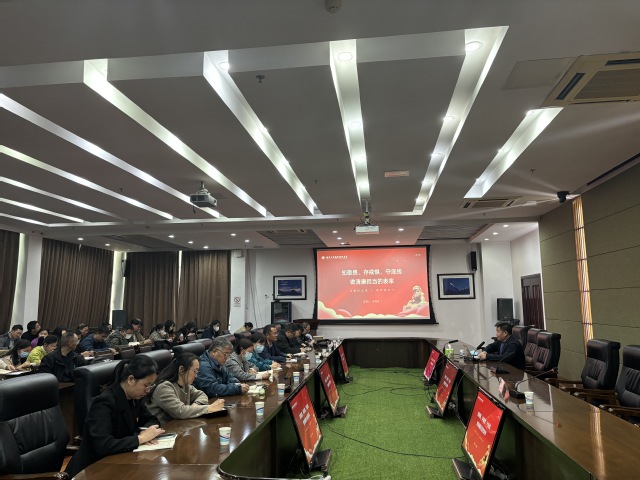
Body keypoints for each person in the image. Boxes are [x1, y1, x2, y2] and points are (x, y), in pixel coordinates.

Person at [65, 356, 164, 478]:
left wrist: (149, 431)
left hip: (121, 461)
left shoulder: (135, 398)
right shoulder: (104, 402)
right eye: (146, 385)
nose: (148, 391)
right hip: (92, 469)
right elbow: (103, 445)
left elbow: (151, 419)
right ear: (131, 379)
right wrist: (141, 438)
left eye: (151, 386)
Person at [146, 353, 225, 425]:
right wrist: (209, 408)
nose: (196, 376)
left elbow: (202, 395)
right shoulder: (164, 387)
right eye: (195, 371)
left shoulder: (186, 385)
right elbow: (181, 411)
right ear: (181, 369)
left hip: (178, 426)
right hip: (163, 429)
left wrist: (195, 405)